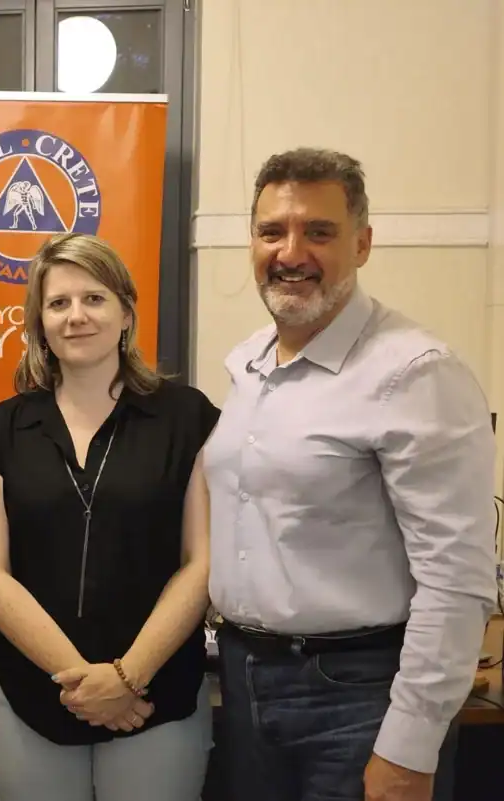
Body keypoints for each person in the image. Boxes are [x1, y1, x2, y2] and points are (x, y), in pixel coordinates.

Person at [203, 147, 498, 801]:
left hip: (360, 697)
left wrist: (409, 747)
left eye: (319, 231)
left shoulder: (414, 373)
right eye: (272, 231)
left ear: (362, 244)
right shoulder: (248, 365)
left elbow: (457, 581)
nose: (291, 252)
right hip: (246, 684)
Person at [0, 232, 218, 801]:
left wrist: (127, 679)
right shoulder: (2, 429)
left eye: (94, 299)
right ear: (40, 322)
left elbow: (201, 562)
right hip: (33, 696)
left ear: (126, 312)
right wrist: (85, 684)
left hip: (156, 697)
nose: (76, 316)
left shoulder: (188, 419)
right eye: (58, 303)